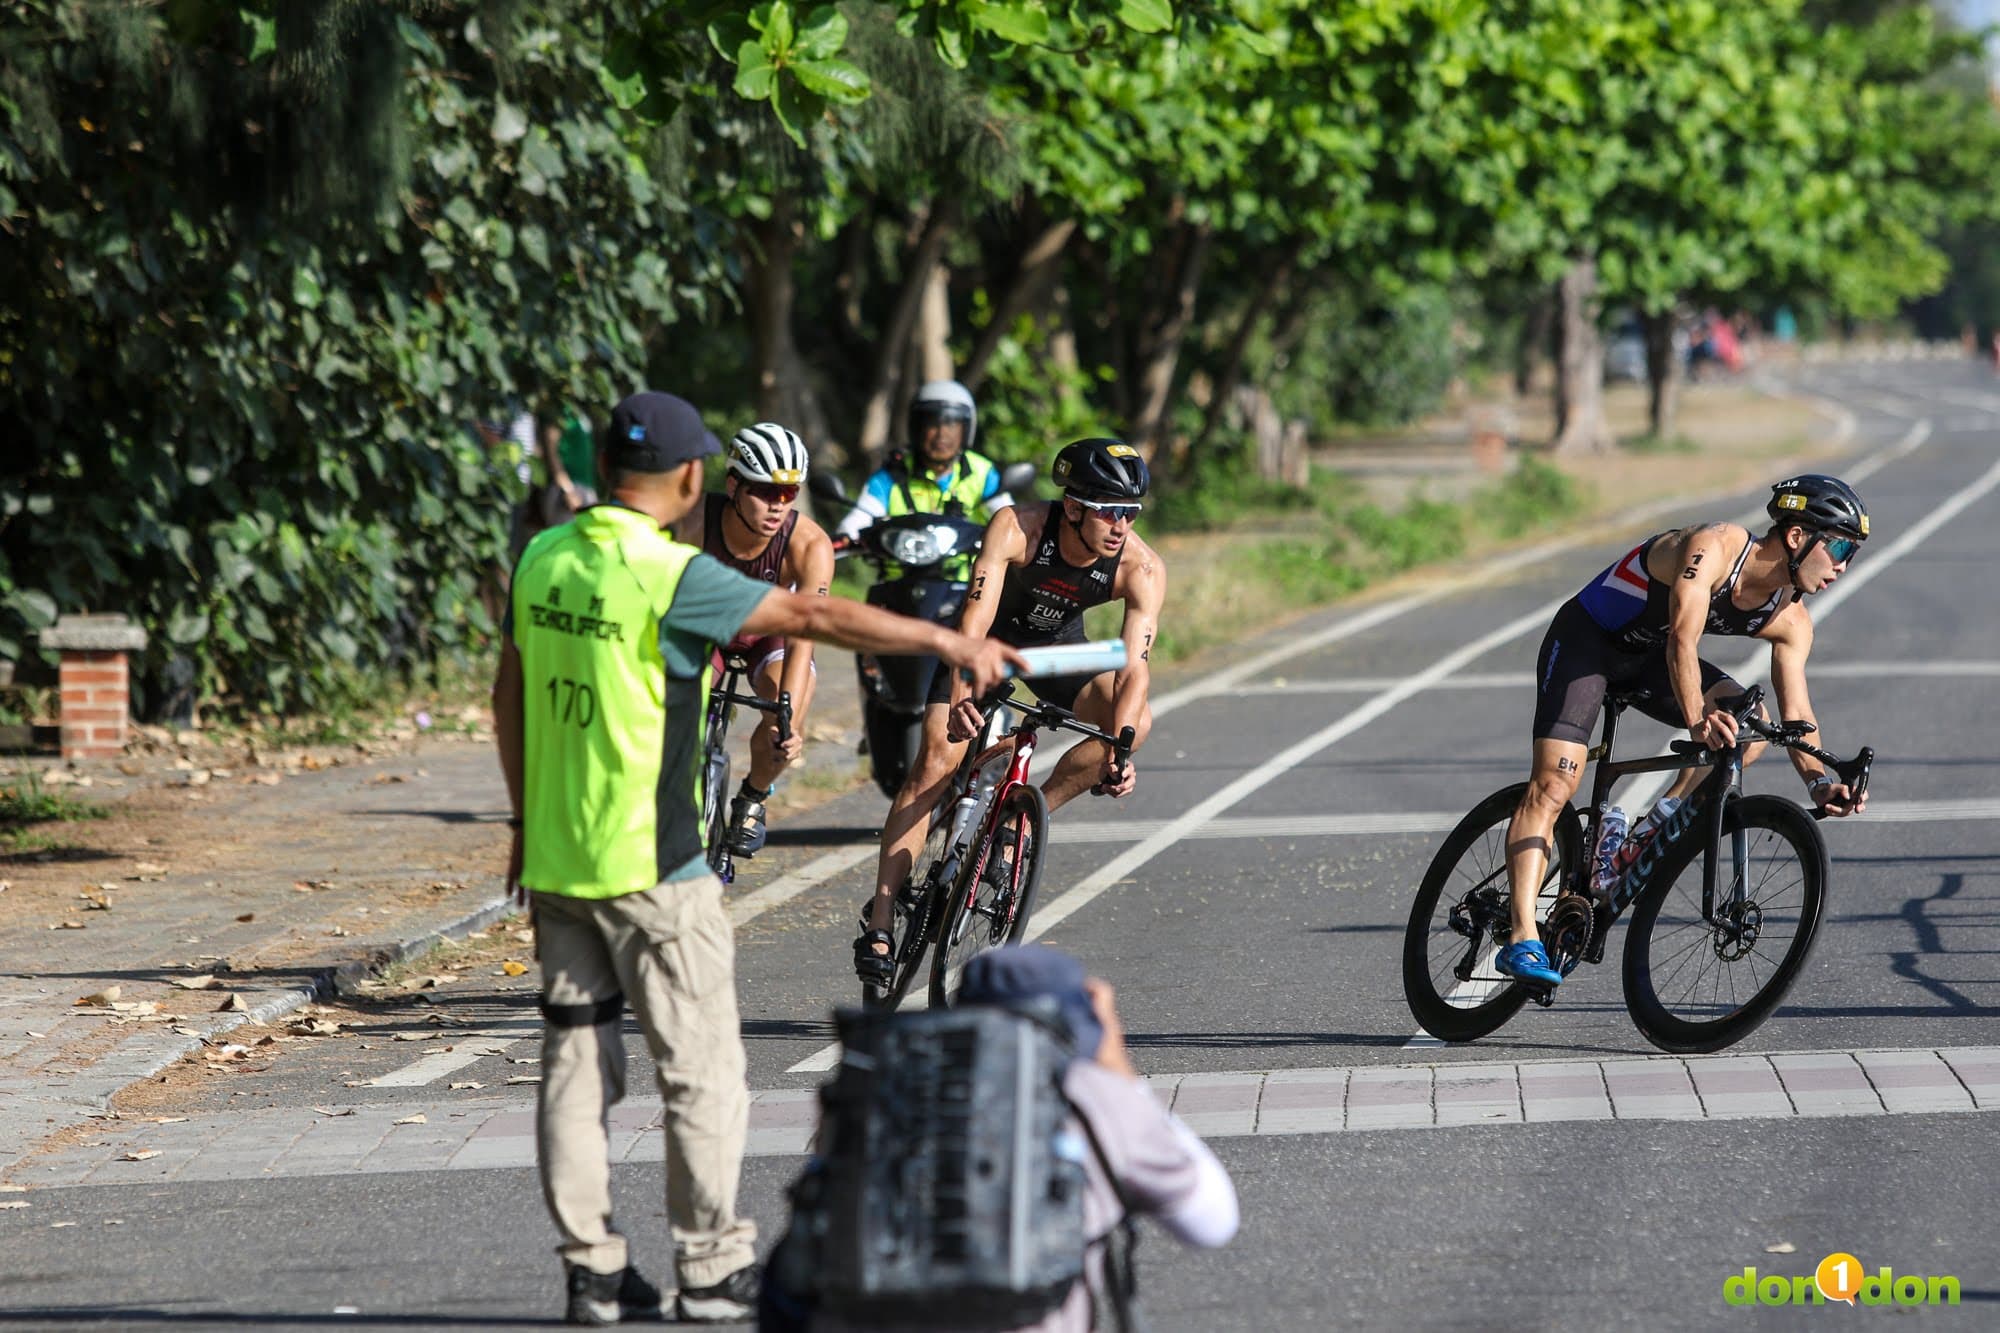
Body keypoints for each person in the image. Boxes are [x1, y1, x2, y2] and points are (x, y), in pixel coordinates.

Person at [493, 390, 1025, 1326]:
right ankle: (708, 1267)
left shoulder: (544, 555)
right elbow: (813, 621)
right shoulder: (667, 573)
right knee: (702, 1069)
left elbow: (509, 692)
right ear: (696, 478)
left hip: (560, 864)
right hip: (654, 865)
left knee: (578, 1068)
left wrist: (523, 823)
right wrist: (945, 638)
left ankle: (592, 1270)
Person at [1493, 474, 1874, 987]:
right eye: (1841, 547)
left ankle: (1650, 825)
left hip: (1646, 660)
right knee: (1556, 783)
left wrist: (1819, 781)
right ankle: (1521, 937)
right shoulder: (1712, 548)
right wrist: (1698, 721)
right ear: (1797, 536)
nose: (1844, 566)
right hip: (1588, 643)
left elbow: (1796, 714)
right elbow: (1682, 643)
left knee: (1751, 734)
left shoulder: (1791, 618)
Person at [856, 438, 1165, 985]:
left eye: (1130, 513)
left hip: (1059, 653)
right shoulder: (1016, 528)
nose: (1121, 525)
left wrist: (1118, 747)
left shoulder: (1140, 566)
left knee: (1135, 721)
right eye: (1109, 511)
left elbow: (1133, 667)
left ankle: (1019, 819)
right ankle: (880, 919)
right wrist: (960, 695)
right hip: (983, 647)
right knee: (934, 766)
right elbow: (973, 621)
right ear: (1072, 507)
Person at [676, 421, 835, 856]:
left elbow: (806, 634)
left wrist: (789, 713)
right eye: (764, 492)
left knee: (787, 723)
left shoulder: (809, 545)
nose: (777, 505)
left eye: (788, 494)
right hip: (704, 628)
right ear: (733, 485)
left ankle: (753, 796)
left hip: (771, 634)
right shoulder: (693, 522)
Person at [833, 380, 1015, 579]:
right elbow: (859, 518)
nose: (942, 435)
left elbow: (1007, 519)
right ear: (916, 428)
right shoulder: (892, 474)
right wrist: (847, 537)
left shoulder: (983, 473)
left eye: (952, 424)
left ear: (966, 430)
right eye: (932, 423)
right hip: (895, 587)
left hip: (963, 588)